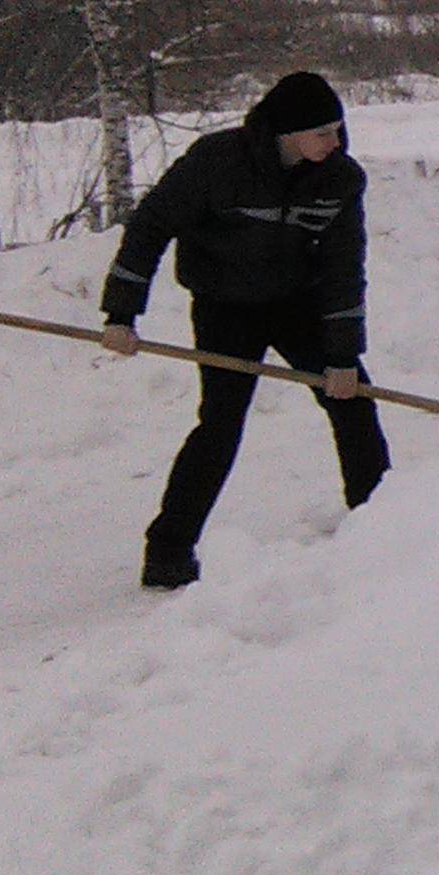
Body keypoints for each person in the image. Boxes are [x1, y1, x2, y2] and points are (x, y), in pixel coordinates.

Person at [99, 70, 387, 590]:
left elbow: (344, 268)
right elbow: (151, 226)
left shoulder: (340, 180)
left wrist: (341, 357)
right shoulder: (217, 163)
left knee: (354, 401)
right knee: (221, 423)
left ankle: (385, 526)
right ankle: (168, 551)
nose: (335, 143)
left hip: (296, 303)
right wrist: (121, 314)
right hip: (224, 307)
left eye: (338, 130)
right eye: (323, 133)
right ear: (288, 132)